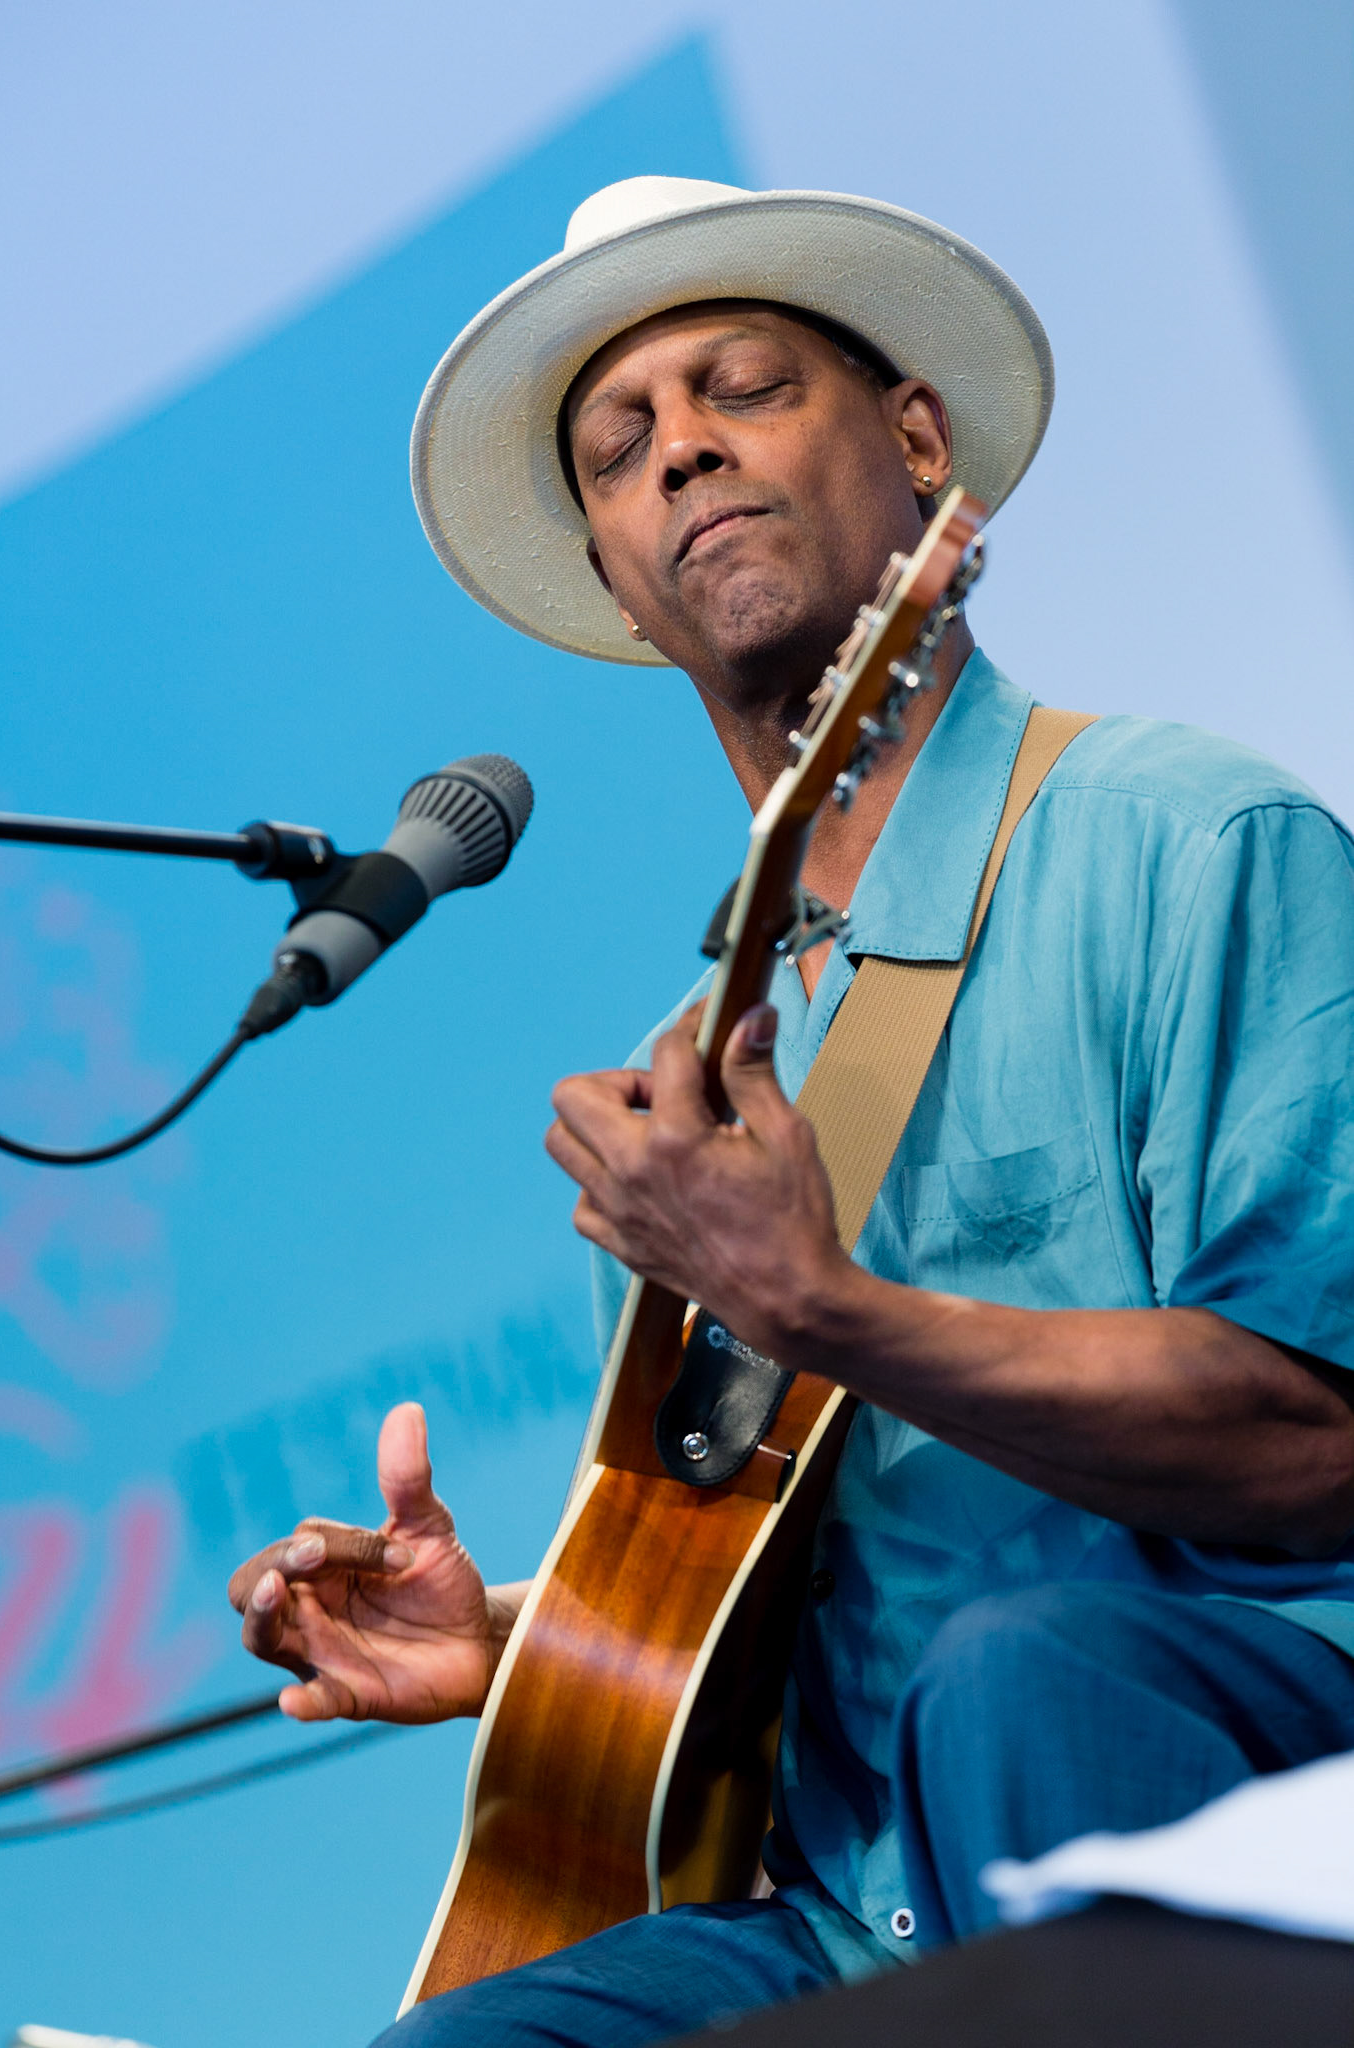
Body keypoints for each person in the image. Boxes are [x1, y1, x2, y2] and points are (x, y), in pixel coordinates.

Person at [227, 177, 1354, 2045]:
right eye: (620, 446)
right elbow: (784, 1607)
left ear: (918, 442)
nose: (681, 454)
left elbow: (1323, 1442)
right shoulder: (692, 1092)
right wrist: (528, 1654)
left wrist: (831, 1307)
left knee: (1018, 1687)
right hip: (873, 1909)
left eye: (740, 388)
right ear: (609, 572)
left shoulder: (1186, 839)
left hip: (1255, 1789)